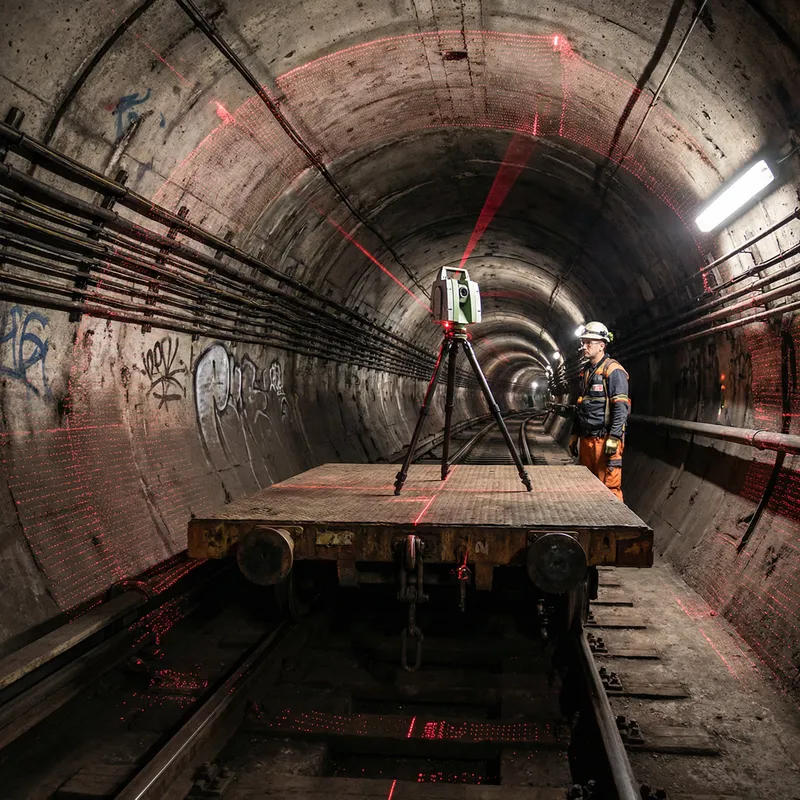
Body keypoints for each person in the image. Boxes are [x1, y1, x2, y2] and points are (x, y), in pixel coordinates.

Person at [568, 322, 630, 501]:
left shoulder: (613, 370)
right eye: (583, 342)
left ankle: (616, 519)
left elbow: (621, 407)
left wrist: (614, 437)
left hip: (604, 439)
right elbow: (580, 405)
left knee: (610, 488)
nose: (584, 346)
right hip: (587, 440)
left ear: (602, 345)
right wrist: (575, 434)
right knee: (588, 487)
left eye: (589, 342)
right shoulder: (586, 372)